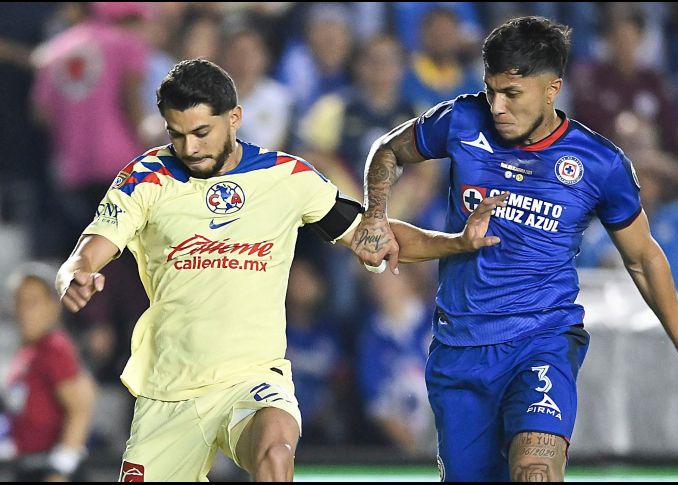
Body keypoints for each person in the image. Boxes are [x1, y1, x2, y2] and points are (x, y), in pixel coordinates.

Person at [54, 58, 508, 482]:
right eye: (177, 134)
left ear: (234, 118)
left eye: (201, 132)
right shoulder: (146, 177)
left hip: (253, 380)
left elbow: (374, 236)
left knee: (275, 452)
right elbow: (92, 247)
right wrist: (77, 273)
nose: (189, 148)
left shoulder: (286, 177)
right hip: (169, 391)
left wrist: (456, 243)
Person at [350, 16, 678, 482]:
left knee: (535, 471)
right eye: (491, 90)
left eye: (512, 94)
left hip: (541, 339)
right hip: (460, 347)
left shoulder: (599, 164)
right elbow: (386, 151)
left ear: (553, 89)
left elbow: (643, 257)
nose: (497, 106)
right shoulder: (460, 120)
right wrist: (374, 213)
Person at [3, 262, 96, 481]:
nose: (24, 311)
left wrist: (60, 470)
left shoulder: (54, 348)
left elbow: (80, 408)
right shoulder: (28, 352)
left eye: (33, 302)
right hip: (28, 466)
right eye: (19, 301)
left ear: (53, 306)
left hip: (50, 470)